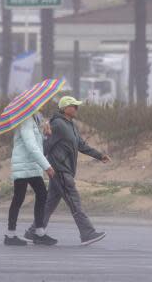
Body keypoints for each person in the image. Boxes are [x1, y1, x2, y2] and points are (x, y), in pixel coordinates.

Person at [26, 94, 111, 246]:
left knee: (49, 204)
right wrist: (44, 157)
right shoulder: (57, 124)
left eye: (77, 105)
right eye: (74, 106)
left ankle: (34, 231)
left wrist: (99, 156)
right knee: (74, 201)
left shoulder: (71, 124)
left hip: (65, 170)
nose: (77, 108)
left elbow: (82, 145)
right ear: (65, 108)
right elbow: (45, 146)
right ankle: (87, 233)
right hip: (60, 170)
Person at [5, 113, 58, 246]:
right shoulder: (25, 121)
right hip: (23, 165)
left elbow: (38, 143)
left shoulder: (35, 119)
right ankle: (10, 235)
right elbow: (31, 146)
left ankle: (39, 232)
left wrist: (46, 134)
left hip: (31, 166)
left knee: (42, 194)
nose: (38, 109)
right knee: (18, 198)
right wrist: (46, 166)